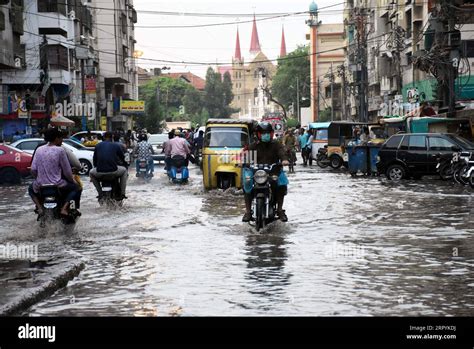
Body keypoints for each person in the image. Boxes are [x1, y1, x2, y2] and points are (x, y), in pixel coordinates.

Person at [242, 122, 290, 223]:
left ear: (271, 133)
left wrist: (284, 160)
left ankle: (280, 210)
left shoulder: (276, 144)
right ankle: (247, 211)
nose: (266, 135)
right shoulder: (254, 146)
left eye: (268, 132)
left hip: (273, 170)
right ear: (258, 134)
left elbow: (282, 153)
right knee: (247, 182)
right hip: (257, 172)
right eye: (263, 133)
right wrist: (242, 161)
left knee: (281, 184)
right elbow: (246, 156)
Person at [29, 128, 82, 218]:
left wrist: (38, 178)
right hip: (57, 184)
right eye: (61, 138)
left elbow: (33, 169)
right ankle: (64, 208)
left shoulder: (39, 150)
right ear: (56, 138)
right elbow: (67, 171)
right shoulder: (60, 150)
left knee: (30, 189)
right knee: (76, 188)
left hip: (40, 185)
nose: (62, 141)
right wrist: (72, 180)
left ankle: (39, 208)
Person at [89, 132, 128, 200]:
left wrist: (96, 167)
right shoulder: (116, 145)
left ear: (103, 137)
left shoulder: (98, 145)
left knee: (91, 173)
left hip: (99, 171)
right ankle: (122, 193)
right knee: (124, 171)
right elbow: (122, 157)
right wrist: (125, 163)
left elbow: (95, 159)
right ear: (112, 137)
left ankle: (100, 193)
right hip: (113, 171)